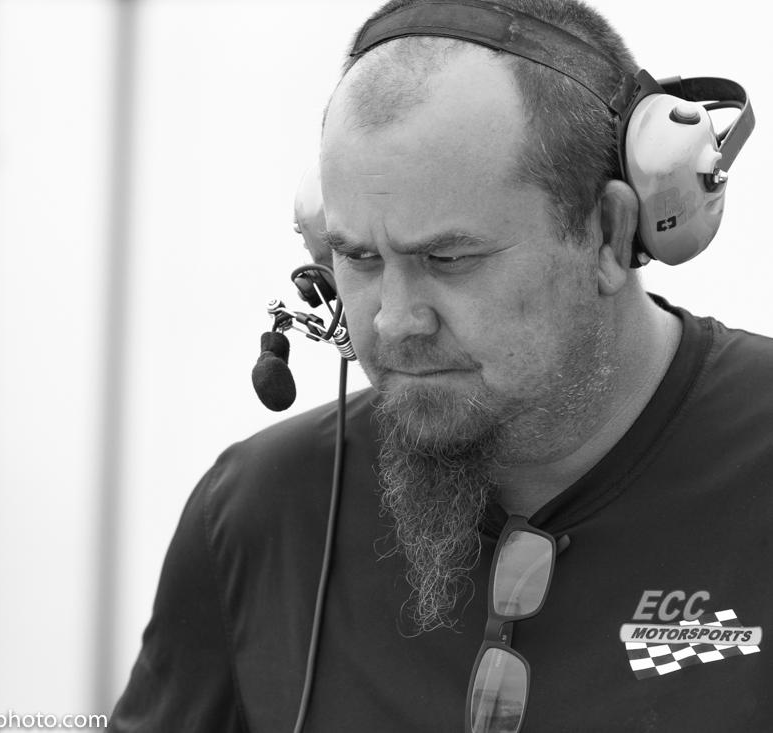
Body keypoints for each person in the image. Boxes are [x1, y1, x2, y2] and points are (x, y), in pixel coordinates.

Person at [110, 0, 771, 730]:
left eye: (448, 258)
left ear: (610, 234)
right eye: (359, 257)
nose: (393, 321)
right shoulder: (254, 515)